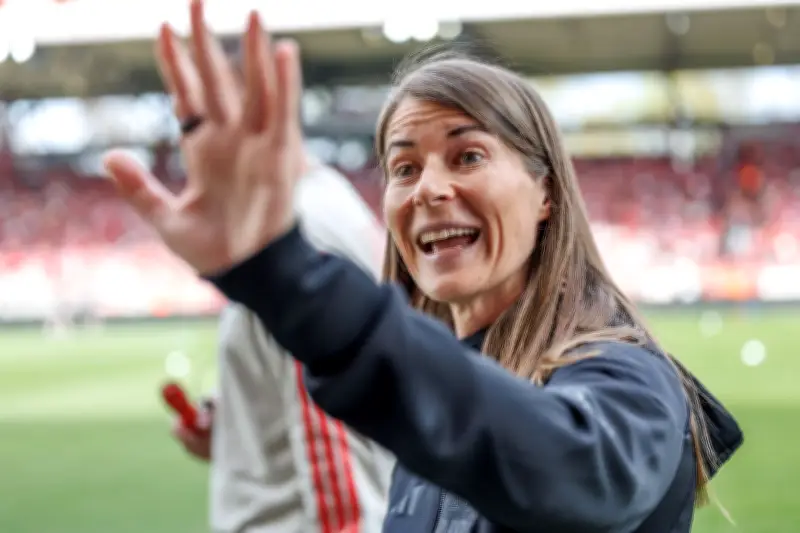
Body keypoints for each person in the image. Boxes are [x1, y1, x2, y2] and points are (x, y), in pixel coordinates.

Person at [105, 3, 744, 532]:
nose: (427, 190)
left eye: (468, 157)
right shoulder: (447, 396)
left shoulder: (629, 377)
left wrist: (285, 276)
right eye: (404, 168)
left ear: (546, 192)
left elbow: (571, 472)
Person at [171, 156, 393, 533]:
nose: (188, 151)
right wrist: (237, 424)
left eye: (193, 128)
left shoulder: (295, 228)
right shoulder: (319, 203)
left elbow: (341, 479)